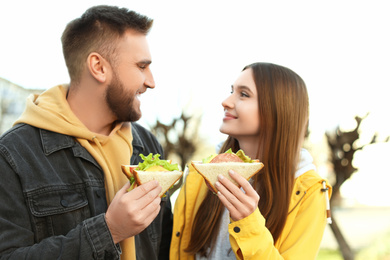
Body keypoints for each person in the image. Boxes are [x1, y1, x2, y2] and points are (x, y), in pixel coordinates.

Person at [0, 5, 172, 260]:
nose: (151, 81)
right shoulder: (13, 155)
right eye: (141, 66)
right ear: (98, 67)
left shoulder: (147, 145)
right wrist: (109, 230)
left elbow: (165, 247)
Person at [170, 62, 332, 259]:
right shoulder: (199, 174)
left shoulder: (310, 193)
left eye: (244, 94)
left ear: (277, 109)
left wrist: (248, 224)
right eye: (231, 91)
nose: (226, 101)